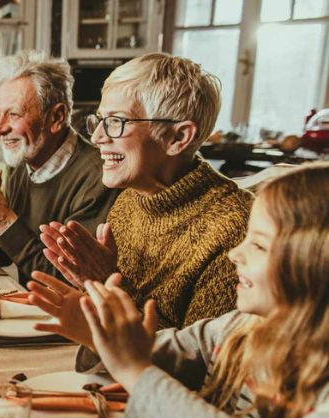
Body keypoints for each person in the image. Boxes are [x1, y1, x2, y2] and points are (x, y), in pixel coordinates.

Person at [28, 165, 329, 418]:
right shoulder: (240, 327)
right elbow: (165, 352)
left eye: (258, 246)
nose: (234, 254)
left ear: (314, 266)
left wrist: (135, 371)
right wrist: (99, 333)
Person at [39, 53, 251, 328]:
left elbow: (198, 360)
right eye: (100, 120)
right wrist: (90, 286)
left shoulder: (235, 230)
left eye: (116, 122)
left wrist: (107, 283)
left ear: (178, 138)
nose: (97, 137)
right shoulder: (130, 201)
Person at [0, 50, 119, 282]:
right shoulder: (21, 162)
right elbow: (3, 258)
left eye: (13, 114)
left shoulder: (98, 178)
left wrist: (2, 219)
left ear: (56, 117)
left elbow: (64, 280)